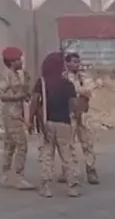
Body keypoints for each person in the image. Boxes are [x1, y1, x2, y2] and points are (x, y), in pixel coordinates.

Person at [31, 52, 80, 198]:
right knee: (67, 155)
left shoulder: (41, 82)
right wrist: (76, 118)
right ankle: (72, 187)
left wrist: (30, 121)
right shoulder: (68, 84)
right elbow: (74, 105)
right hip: (64, 123)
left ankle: (46, 187)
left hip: (47, 123)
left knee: (47, 154)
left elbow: (34, 103)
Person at [0, 47, 35, 190]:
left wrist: (26, 87)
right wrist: (17, 96)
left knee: (10, 145)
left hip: (16, 113)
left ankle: (6, 175)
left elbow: (23, 92)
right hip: (11, 114)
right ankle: (18, 176)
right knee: (21, 145)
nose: (21, 62)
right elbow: (0, 94)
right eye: (18, 59)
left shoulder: (17, 75)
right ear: (11, 62)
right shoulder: (6, 75)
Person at [61, 52, 100, 185]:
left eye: (78, 62)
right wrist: (78, 90)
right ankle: (68, 171)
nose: (77, 65)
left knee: (87, 143)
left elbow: (89, 90)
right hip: (69, 114)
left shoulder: (84, 77)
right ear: (67, 63)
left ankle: (91, 169)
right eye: (73, 62)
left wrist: (76, 89)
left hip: (83, 114)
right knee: (68, 144)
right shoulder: (63, 77)